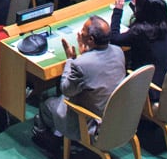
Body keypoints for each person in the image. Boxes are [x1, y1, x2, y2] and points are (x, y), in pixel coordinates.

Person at [33, 17, 125, 146]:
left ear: (91, 40)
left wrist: (70, 60)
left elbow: (66, 89)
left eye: (83, 30)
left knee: (47, 104)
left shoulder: (81, 64)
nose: (80, 33)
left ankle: (44, 137)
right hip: (117, 119)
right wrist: (85, 55)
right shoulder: (118, 51)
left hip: (90, 125)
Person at [109, 0, 167, 86]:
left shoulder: (139, 31)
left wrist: (118, 10)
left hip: (149, 84)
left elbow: (114, 38)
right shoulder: (166, 26)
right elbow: (147, 16)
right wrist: (136, 5)